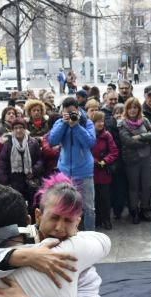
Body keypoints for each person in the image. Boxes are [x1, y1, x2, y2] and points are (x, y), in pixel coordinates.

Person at [48, 96, 98, 229]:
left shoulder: (86, 123)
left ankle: (90, 235)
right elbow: (52, 140)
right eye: (66, 112)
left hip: (84, 171)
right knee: (67, 206)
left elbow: (90, 143)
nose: (69, 115)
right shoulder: (60, 122)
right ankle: (69, 231)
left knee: (88, 207)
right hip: (65, 172)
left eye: (72, 112)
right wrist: (64, 124)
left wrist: (76, 126)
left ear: (77, 110)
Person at [117, 97, 151, 224]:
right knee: (133, 187)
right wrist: (145, 140)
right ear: (126, 110)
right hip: (132, 160)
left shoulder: (144, 120)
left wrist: (139, 136)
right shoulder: (122, 123)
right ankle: (134, 211)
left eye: (135, 107)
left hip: (147, 159)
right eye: (130, 108)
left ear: (139, 109)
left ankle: (146, 209)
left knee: (147, 186)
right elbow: (128, 141)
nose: (132, 110)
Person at [0, 118, 44, 216]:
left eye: (21, 127)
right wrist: (6, 183)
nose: (18, 130)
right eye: (15, 128)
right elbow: (3, 164)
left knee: (33, 207)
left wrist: (33, 171)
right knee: (17, 209)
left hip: (31, 182)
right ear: (12, 130)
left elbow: (40, 160)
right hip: (14, 182)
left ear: (25, 129)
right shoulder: (8, 144)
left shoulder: (33, 142)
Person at [89, 112, 120, 230]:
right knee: (94, 198)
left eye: (102, 121)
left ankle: (106, 219)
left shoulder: (107, 135)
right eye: (98, 121)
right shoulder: (89, 135)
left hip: (103, 171)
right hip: (91, 171)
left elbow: (114, 151)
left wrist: (105, 161)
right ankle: (97, 220)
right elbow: (86, 151)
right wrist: (94, 161)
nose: (100, 124)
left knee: (105, 198)